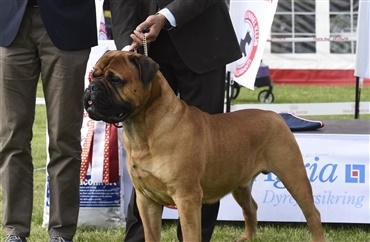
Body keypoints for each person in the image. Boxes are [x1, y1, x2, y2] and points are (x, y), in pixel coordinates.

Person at [110, 0, 242, 241]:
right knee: (142, 155)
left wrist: (166, 16)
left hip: (203, 41)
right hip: (145, 53)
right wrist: (126, 50)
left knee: (208, 156)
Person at [0, 1, 97, 242]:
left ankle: (61, 233)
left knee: (64, 137)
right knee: (11, 137)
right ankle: (15, 231)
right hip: (9, 24)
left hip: (68, 23)